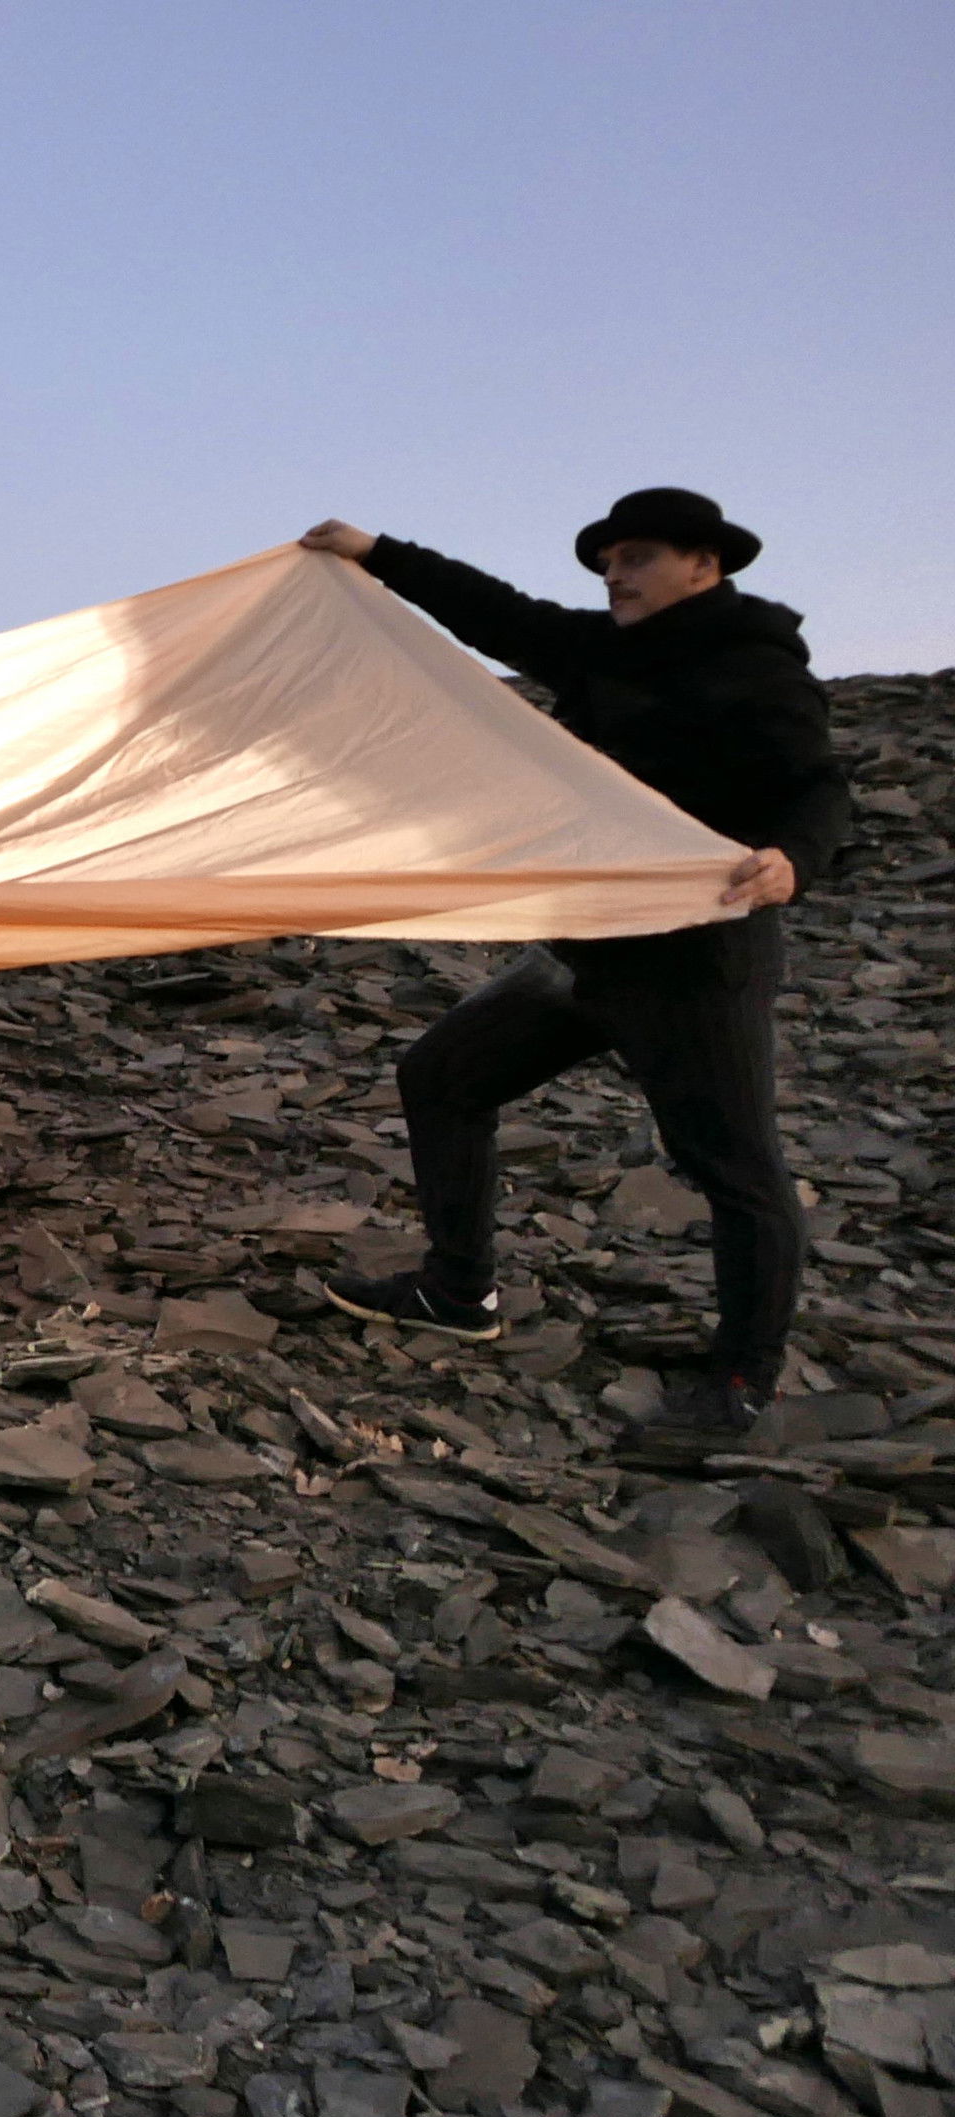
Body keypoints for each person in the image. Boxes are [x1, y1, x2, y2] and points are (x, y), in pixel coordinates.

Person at [299, 490, 846, 1443]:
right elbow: (494, 610)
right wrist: (374, 549)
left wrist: (793, 857)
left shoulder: (753, 664)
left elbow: (819, 785)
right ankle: (458, 1291)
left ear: (704, 565)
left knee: (733, 1164)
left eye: (637, 558)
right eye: (607, 562)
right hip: (593, 947)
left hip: (699, 953)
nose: (614, 575)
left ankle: (743, 1382)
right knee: (443, 1076)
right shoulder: (599, 649)